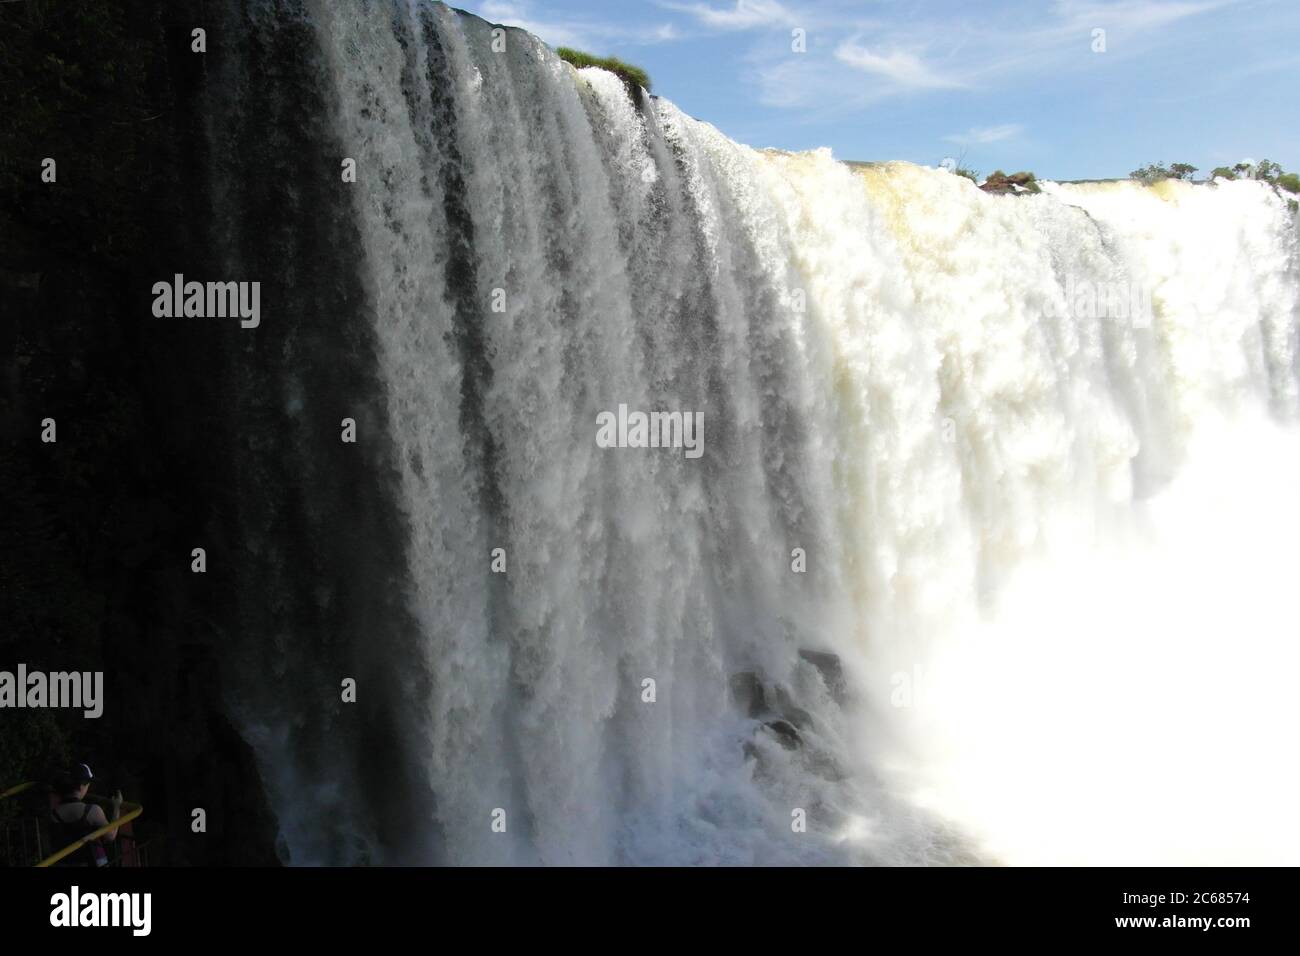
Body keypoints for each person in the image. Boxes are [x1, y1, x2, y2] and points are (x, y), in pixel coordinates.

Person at [48, 764, 123, 867]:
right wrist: (116, 807)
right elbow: (111, 836)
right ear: (80, 786)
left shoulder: (55, 811)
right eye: (88, 784)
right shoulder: (92, 810)